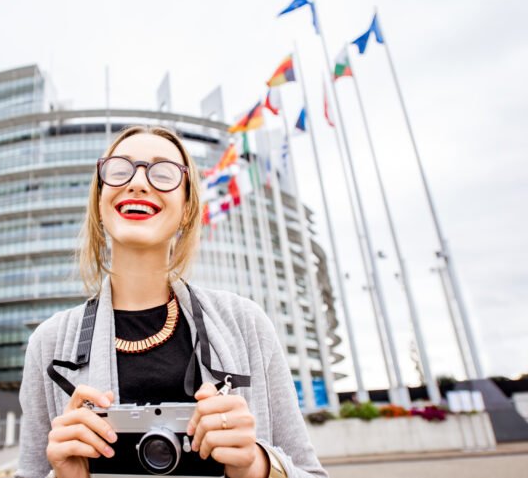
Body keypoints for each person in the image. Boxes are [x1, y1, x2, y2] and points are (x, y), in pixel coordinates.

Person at [16, 126, 328, 478]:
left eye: (163, 173)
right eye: (119, 170)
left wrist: (258, 465)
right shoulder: (49, 343)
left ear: (186, 209)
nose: (137, 182)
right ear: (100, 203)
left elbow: (310, 473)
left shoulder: (245, 324)